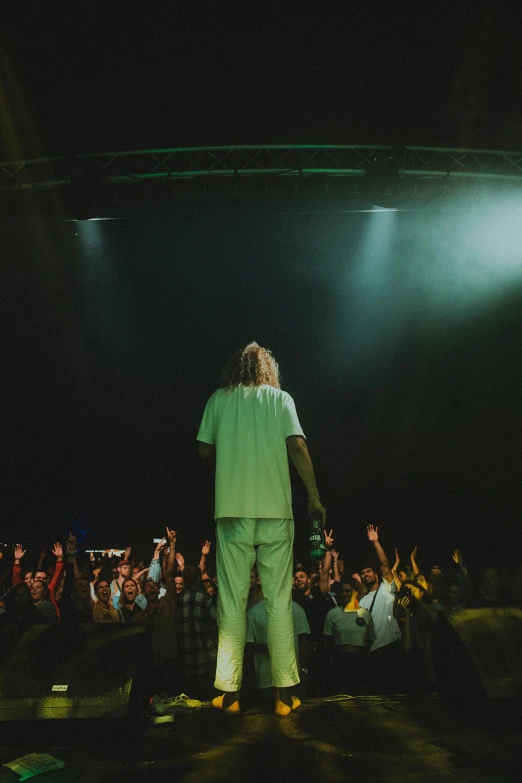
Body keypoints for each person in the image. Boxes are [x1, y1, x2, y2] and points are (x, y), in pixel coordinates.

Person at [197, 341, 326, 716]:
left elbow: (203, 449)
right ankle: (285, 694)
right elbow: (298, 447)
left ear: (236, 369)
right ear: (268, 369)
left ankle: (229, 693)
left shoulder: (219, 399)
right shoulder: (280, 399)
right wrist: (314, 498)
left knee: (232, 603)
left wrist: (233, 440)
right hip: (276, 511)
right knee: (278, 603)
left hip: (232, 511)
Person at [358, 525, 402, 693]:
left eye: (369, 571)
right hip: (372, 652)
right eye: (363, 573)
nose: (366, 574)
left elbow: (384, 564)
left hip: (391, 646)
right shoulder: (361, 601)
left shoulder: (387, 587)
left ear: (376, 574)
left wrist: (375, 542)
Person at [323, 577, 375, 695]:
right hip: (340, 662)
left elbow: (370, 639)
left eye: (348, 590)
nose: (344, 594)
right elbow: (328, 639)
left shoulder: (365, 614)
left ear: (356, 592)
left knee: (361, 698)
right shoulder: (333, 614)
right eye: (342, 591)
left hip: (360, 661)